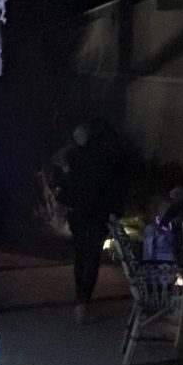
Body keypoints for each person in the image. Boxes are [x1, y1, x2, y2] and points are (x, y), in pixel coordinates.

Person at [54, 122, 119, 324]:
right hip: (90, 213)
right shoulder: (94, 156)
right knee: (88, 256)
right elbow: (104, 185)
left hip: (86, 213)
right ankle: (82, 301)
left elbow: (70, 186)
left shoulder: (75, 157)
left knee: (85, 256)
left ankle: (82, 301)